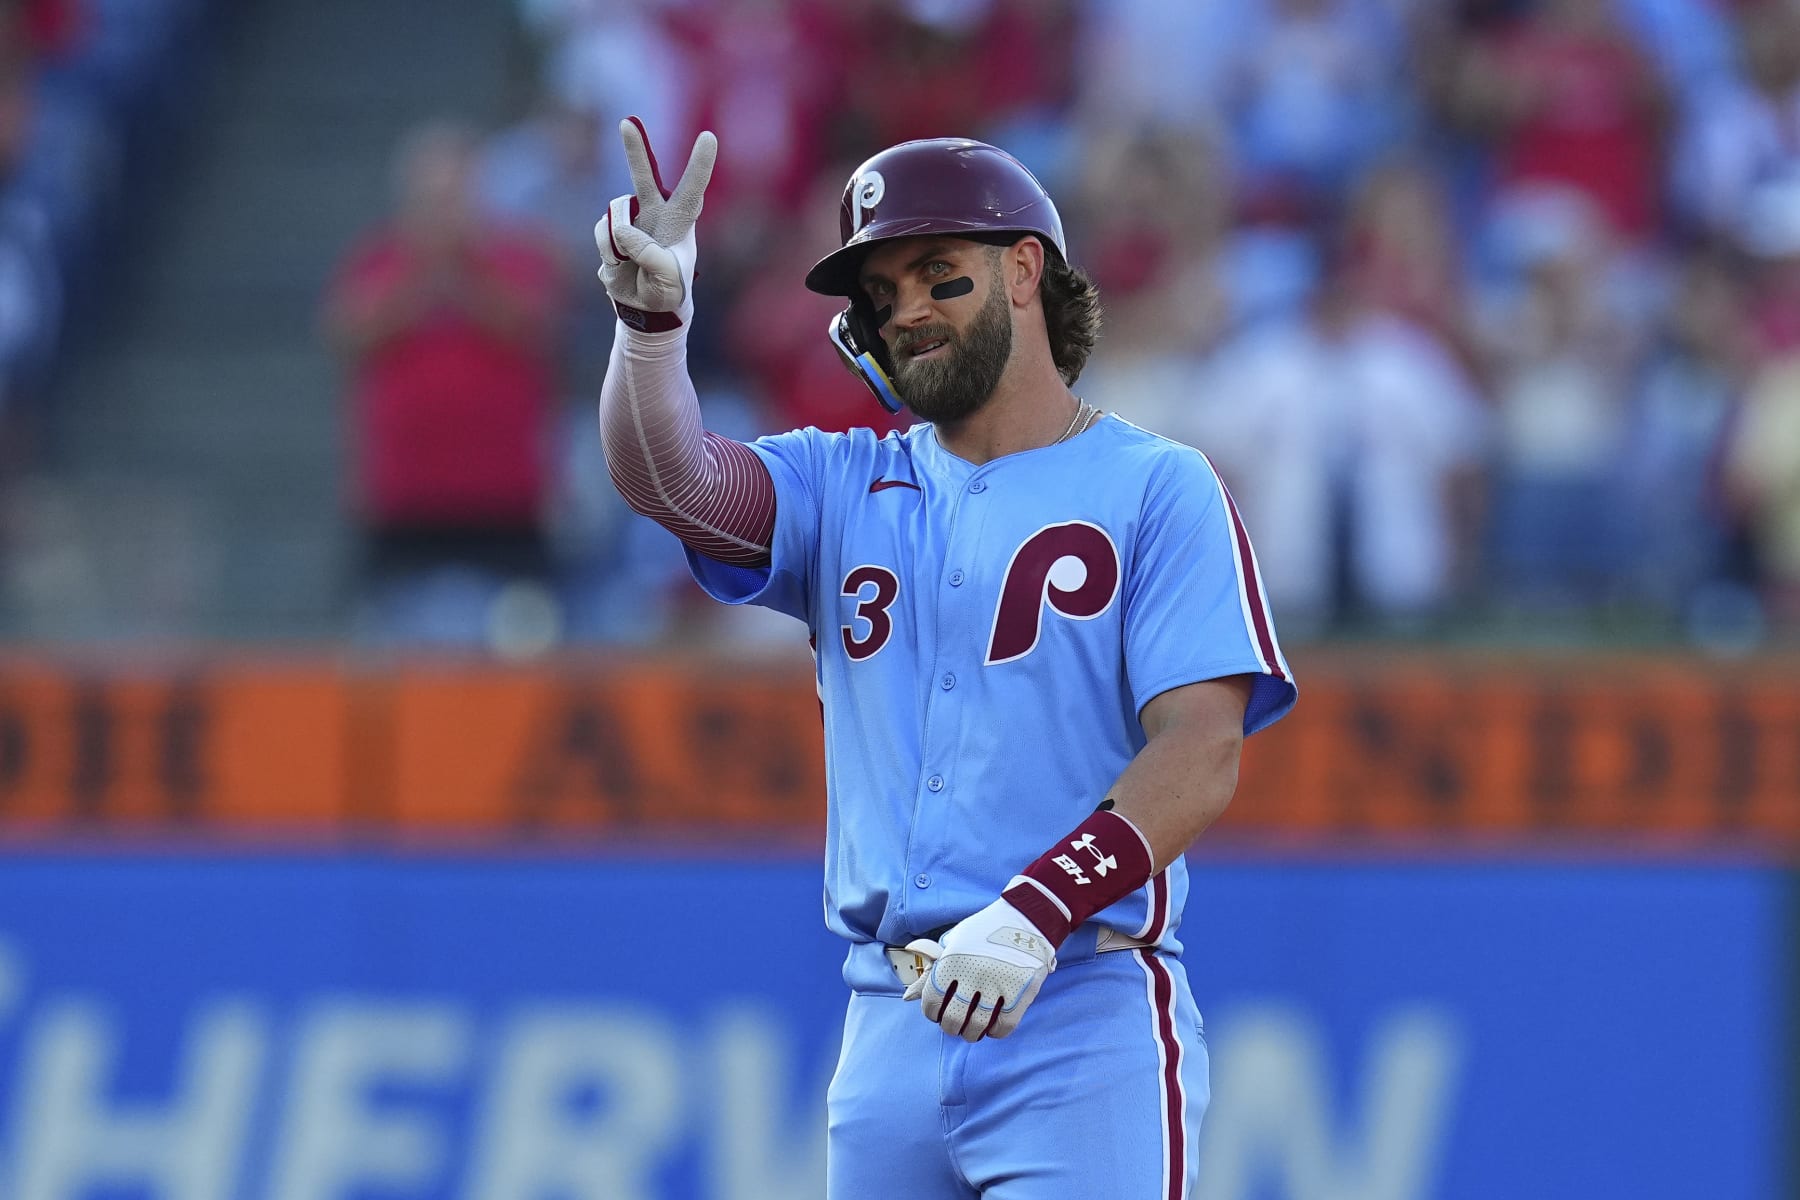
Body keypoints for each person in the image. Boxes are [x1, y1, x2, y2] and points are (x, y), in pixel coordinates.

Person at [593, 118, 1296, 1197]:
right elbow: (670, 482)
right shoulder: (842, 481)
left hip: (1078, 1007)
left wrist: (1038, 907)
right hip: (888, 1020)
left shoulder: (1158, 485)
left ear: (1025, 271)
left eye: (938, 274)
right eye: (879, 294)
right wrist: (651, 332)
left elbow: (1201, 750)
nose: (905, 309)